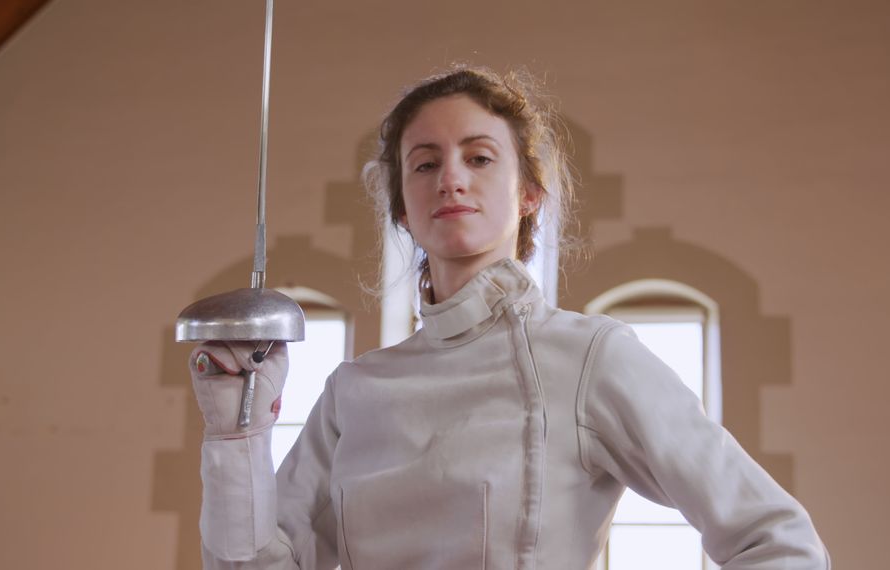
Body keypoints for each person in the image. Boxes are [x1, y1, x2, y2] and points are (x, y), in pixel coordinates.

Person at [189, 67, 830, 569]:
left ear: (529, 195)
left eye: (479, 157)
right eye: (426, 163)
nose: (451, 180)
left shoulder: (587, 359)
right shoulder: (353, 393)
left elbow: (778, 542)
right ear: (403, 209)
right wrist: (234, 435)